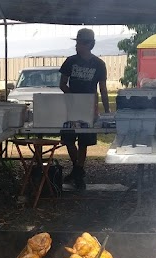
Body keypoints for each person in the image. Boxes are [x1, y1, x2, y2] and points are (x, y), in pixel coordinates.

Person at [59, 28, 110, 192]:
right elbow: (62, 84)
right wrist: (72, 95)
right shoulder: (70, 61)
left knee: (83, 141)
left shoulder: (99, 64)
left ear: (89, 44)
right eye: (76, 42)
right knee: (68, 139)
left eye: (79, 43)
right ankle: (77, 169)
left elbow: (102, 88)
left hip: (90, 107)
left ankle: (78, 172)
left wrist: (107, 110)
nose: (77, 46)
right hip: (71, 106)